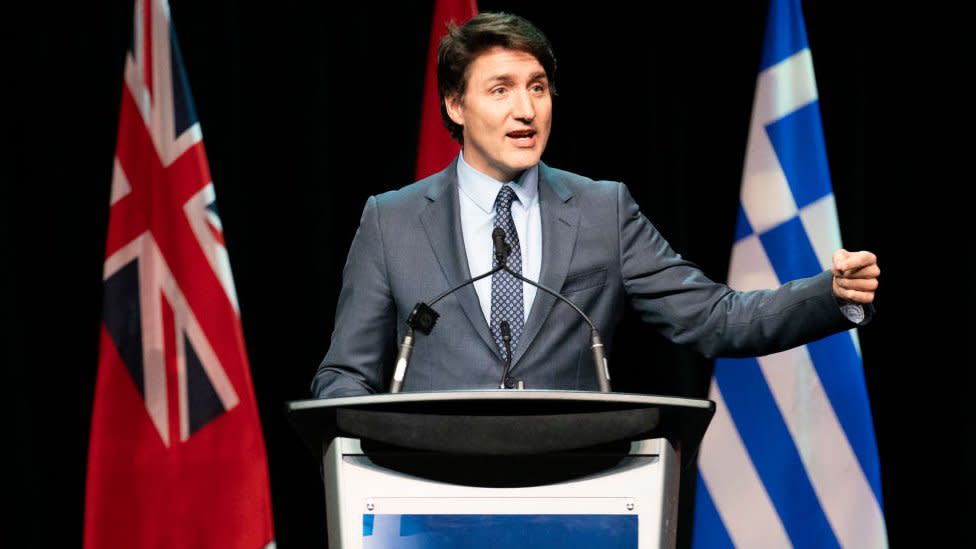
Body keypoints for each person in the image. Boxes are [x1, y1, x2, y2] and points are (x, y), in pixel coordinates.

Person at [310, 12, 879, 398]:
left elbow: (714, 317)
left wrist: (829, 296)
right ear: (456, 105)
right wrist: (375, 455)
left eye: (537, 87)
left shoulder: (602, 211)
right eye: (501, 89)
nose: (527, 109)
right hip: (430, 501)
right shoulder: (392, 221)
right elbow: (343, 374)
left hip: (575, 496)